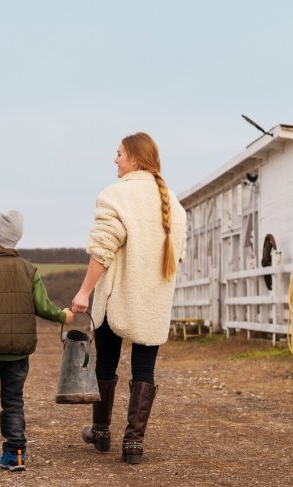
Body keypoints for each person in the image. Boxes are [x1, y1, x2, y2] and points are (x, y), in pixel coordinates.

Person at [72, 132, 187, 465]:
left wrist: (84, 291)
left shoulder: (116, 196)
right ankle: (134, 444)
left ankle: (102, 431)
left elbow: (102, 251)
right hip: (153, 302)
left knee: (106, 363)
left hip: (116, 297)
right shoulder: (174, 203)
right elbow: (177, 257)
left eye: (119, 153)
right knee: (144, 370)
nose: (115, 159)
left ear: (135, 158)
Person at [0, 209, 73, 472]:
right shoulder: (29, 270)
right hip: (19, 352)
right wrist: (63, 316)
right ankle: (15, 454)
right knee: (13, 399)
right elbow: (42, 306)